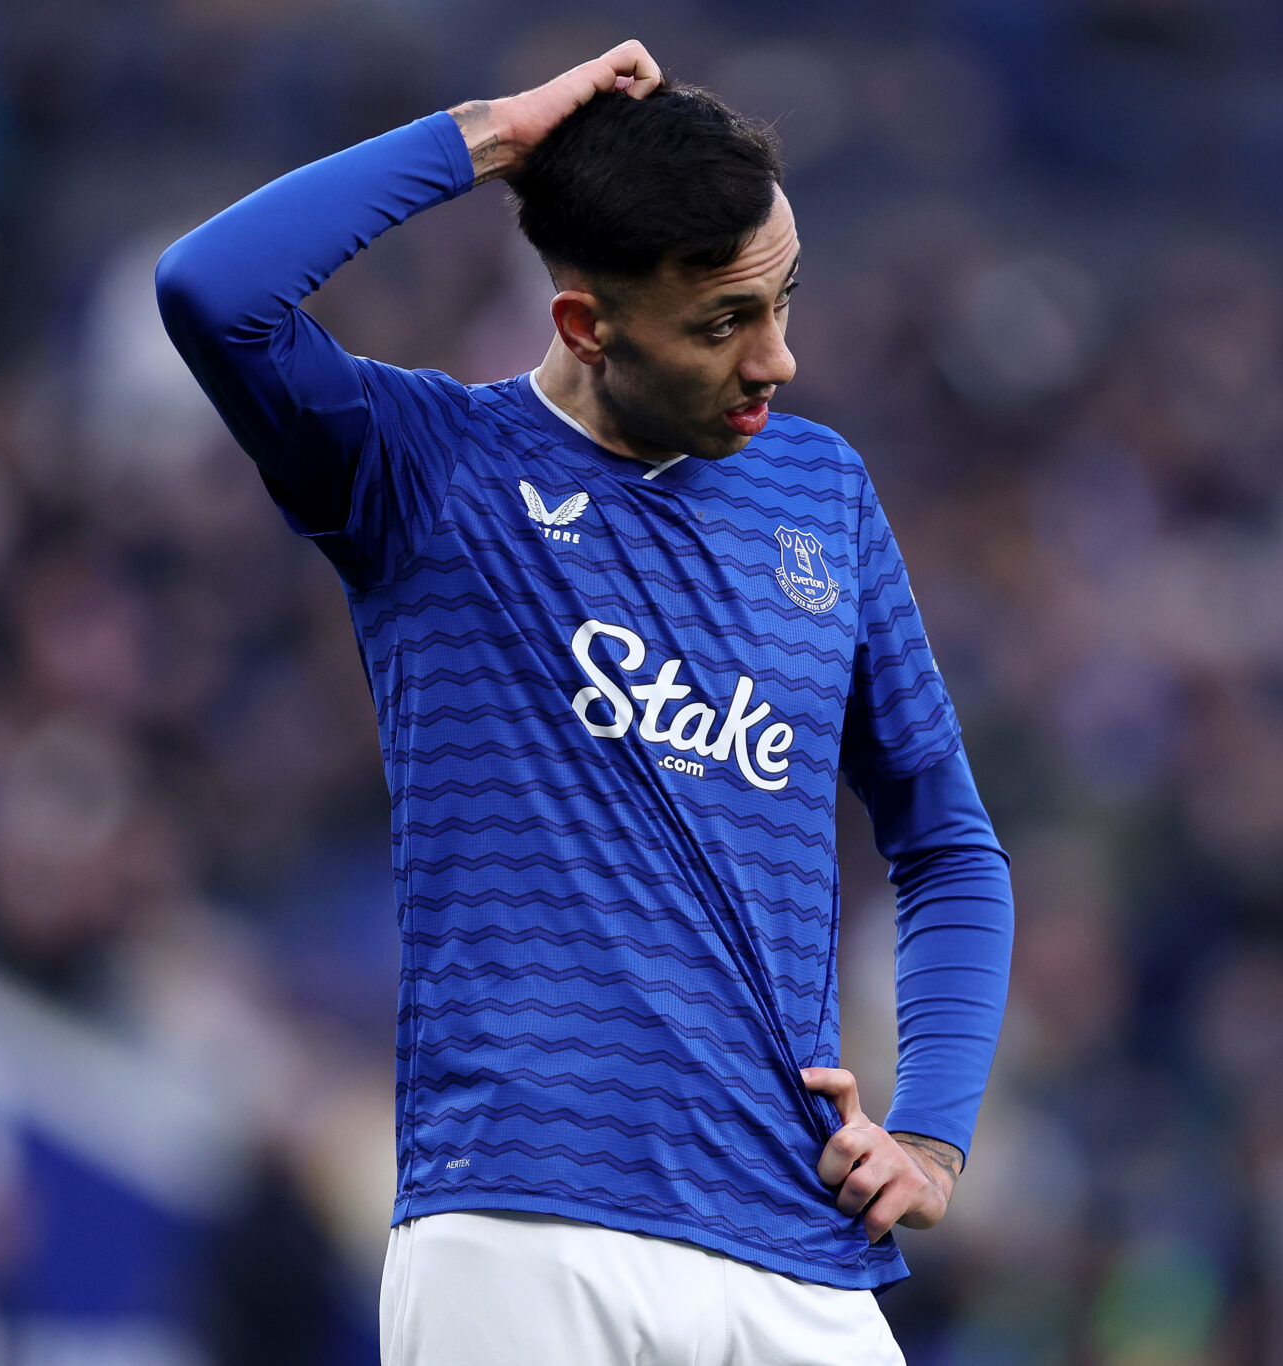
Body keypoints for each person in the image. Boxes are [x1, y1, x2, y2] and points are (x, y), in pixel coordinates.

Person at [156, 40, 1014, 1366]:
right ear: (584, 323)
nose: (777, 359)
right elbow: (215, 292)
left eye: (785, 300)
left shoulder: (821, 493)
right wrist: (488, 138)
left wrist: (933, 1128)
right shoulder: (428, 473)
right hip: (522, 1232)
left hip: (798, 1240)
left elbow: (948, 841)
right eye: (726, 321)